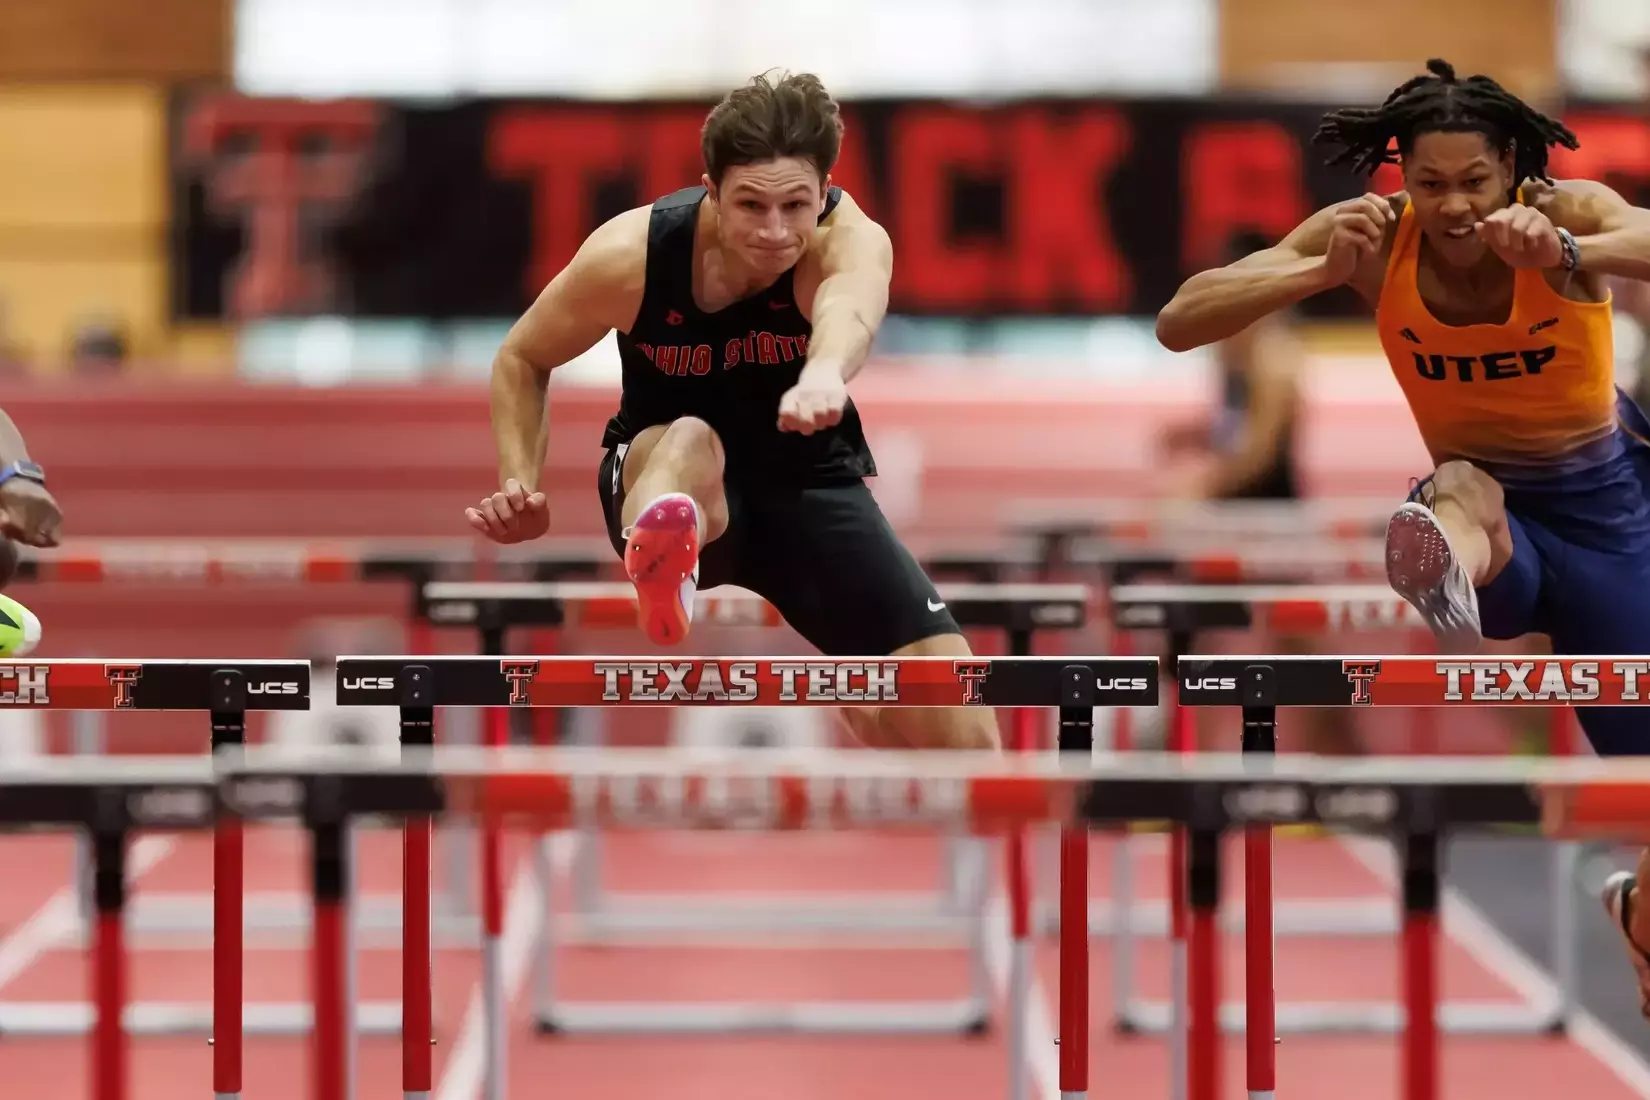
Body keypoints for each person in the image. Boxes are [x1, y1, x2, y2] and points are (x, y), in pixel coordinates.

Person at [1155, 56, 1650, 1016]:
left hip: (1611, 534)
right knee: (1461, 487)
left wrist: (1563, 249)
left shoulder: (1569, 211)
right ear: (1403, 177)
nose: (1453, 205)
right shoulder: (1378, 236)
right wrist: (1316, 270)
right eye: (1430, 182)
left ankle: (1634, 911)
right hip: (1496, 525)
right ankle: (1441, 578)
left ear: (1514, 169)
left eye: (1474, 181)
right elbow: (1180, 320)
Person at [464, 71, 998, 752]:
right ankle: (663, 559)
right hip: (671, 475)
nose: (776, 231)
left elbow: (851, 306)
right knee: (692, 440)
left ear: (824, 192)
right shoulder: (632, 257)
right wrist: (519, 479)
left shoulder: (849, 239)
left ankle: (865, 706)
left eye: (796, 206)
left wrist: (825, 372)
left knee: (968, 736)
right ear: (711, 192)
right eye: (751, 205)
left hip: (806, 486)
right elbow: (523, 355)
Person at [1159, 228, 1304, 502]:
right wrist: (1197, 436)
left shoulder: (1273, 355)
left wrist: (1201, 491)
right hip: (1238, 499)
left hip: (1268, 508)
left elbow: (1260, 456)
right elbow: (1235, 428)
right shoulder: (1233, 347)